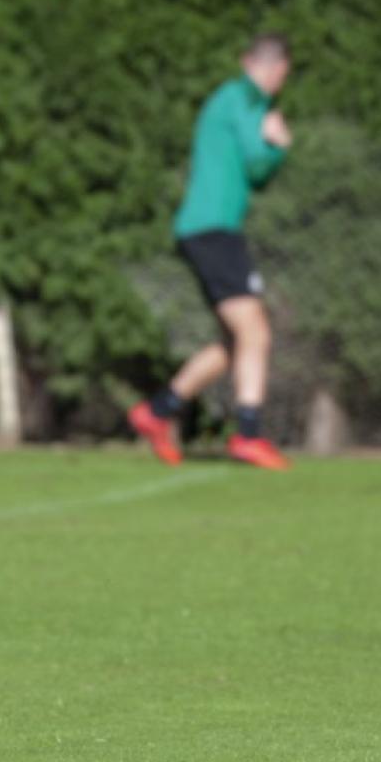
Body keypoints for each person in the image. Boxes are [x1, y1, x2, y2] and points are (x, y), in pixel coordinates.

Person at [127, 35, 294, 470]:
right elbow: (258, 165)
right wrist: (276, 144)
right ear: (275, 69)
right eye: (282, 75)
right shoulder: (241, 98)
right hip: (213, 230)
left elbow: (252, 176)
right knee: (256, 330)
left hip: (207, 229)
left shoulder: (232, 100)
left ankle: (157, 411)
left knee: (235, 340)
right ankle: (248, 435)